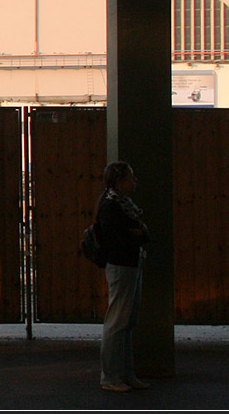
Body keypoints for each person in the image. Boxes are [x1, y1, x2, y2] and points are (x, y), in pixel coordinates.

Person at [95, 160, 150, 392]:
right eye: (130, 177)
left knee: (124, 322)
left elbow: (132, 234)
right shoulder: (114, 206)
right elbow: (125, 236)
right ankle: (111, 376)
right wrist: (139, 234)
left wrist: (137, 234)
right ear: (119, 181)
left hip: (127, 264)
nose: (134, 181)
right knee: (118, 322)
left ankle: (124, 374)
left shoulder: (116, 204)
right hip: (123, 264)